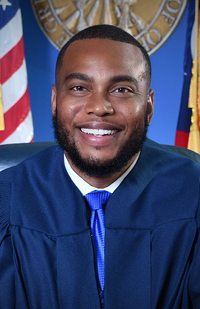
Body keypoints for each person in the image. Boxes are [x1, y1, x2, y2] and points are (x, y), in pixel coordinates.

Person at [0, 24, 200, 309]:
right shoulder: (8, 202)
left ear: (149, 107)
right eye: (79, 88)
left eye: (121, 89)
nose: (99, 107)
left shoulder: (193, 195)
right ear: (56, 102)